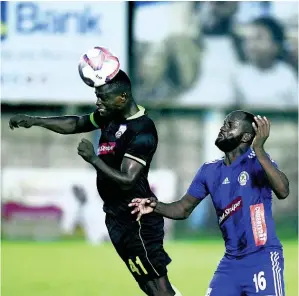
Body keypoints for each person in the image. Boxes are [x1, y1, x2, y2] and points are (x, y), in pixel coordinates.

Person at [9, 70, 181, 296]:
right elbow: (76, 123)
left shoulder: (143, 130)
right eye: (97, 96)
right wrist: (35, 121)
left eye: (103, 97)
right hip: (116, 215)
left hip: (138, 218)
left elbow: (128, 180)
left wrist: (93, 159)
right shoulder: (109, 115)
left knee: (158, 286)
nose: (98, 102)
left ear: (123, 97)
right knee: (146, 283)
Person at [129, 110, 289, 296]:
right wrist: (155, 205)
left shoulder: (257, 162)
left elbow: (283, 190)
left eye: (230, 125)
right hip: (231, 263)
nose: (223, 128)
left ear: (246, 136)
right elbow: (183, 208)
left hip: (262, 257)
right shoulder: (209, 170)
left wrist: (259, 149)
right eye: (224, 123)